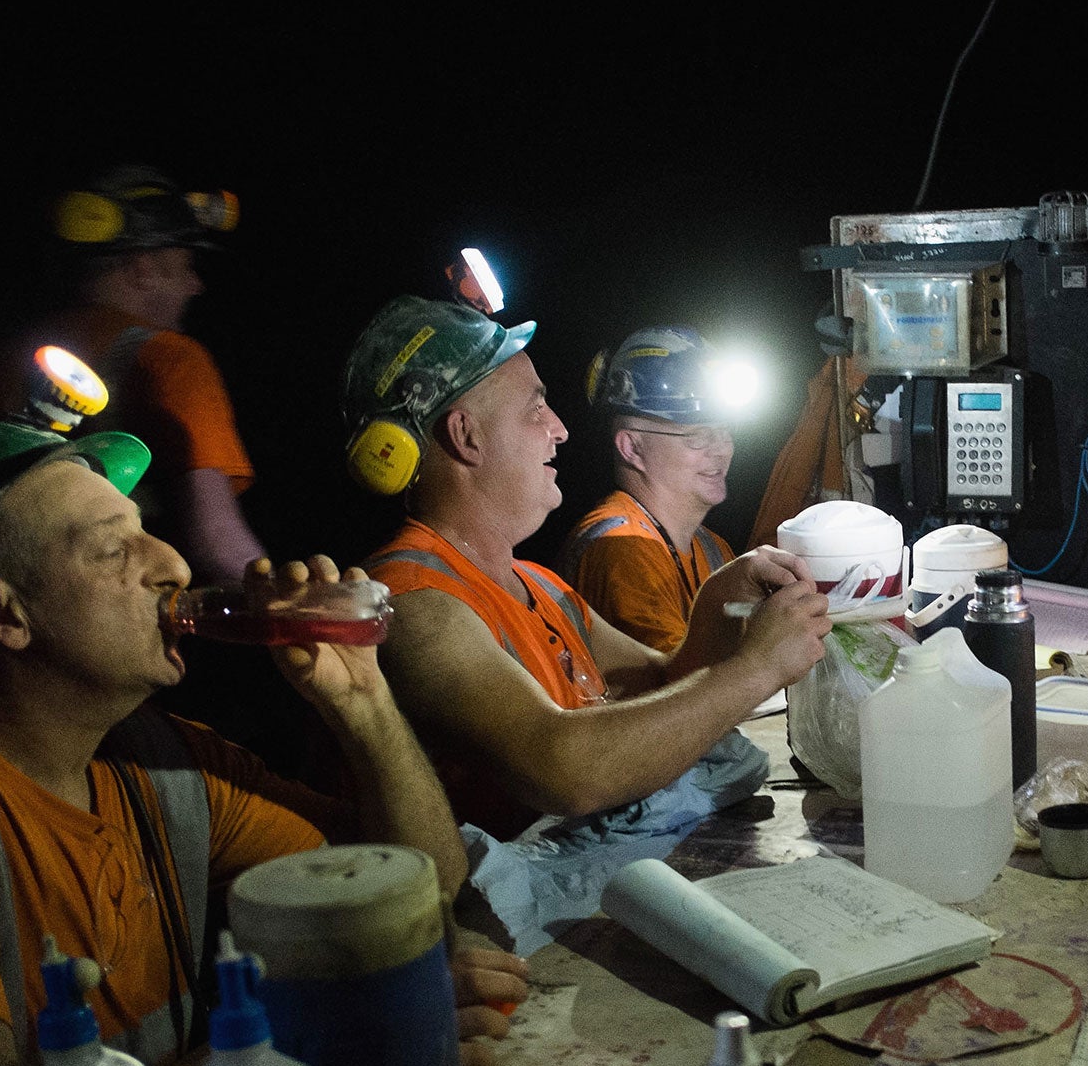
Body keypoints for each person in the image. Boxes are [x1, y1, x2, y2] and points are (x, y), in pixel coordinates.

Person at [0, 421, 526, 1066]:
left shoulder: (162, 762)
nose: (174, 565)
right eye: (113, 551)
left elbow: (416, 883)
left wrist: (361, 701)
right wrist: (318, 1039)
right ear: (4, 613)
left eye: (143, 531)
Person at [340, 297, 830, 846]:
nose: (560, 430)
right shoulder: (410, 604)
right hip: (475, 919)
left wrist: (721, 600)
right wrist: (758, 669)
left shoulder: (538, 585)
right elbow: (562, 770)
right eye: (535, 409)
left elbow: (664, 683)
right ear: (466, 436)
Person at [11, 166, 266, 583]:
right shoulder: (170, 359)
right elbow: (216, 543)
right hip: (112, 618)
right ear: (143, 268)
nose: (195, 285)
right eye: (185, 265)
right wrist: (296, 607)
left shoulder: (8, 354)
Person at [560, 327, 738, 653]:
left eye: (724, 431)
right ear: (632, 448)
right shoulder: (621, 547)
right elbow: (682, 689)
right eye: (697, 435)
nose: (721, 450)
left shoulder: (713, 548)